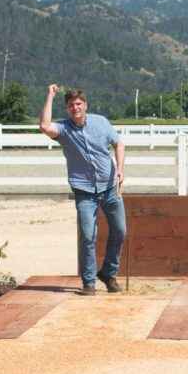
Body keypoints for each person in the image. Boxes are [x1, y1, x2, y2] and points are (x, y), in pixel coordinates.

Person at [39, 84, 126, 295]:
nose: (75, 108)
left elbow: (118, 143)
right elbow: (44, 126)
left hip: (109, 188)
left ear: (85, 105)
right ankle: (89, 283)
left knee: (121, 231)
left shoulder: (101, 123)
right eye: (70, 105)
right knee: (88, 236)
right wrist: (50, 95)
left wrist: (120, 169)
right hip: (84, 191)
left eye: (78, 104)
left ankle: (108, 273)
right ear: (67, 109)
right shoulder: (64, 129)